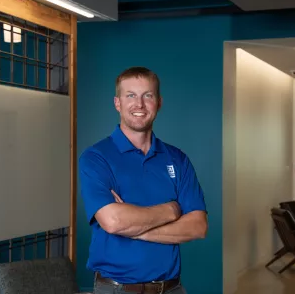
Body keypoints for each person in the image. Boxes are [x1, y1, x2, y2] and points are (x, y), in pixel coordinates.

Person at [79, 66, 208, 294]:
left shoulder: (177, 159)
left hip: (171, 288)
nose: (139, 104)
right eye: (130, 95)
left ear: (158, 103)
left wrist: (135, 229)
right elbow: (113, 222)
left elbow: (198, 227)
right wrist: (171, 210)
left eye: (147, 95)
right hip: (117, 290)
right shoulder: (96, 157)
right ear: (117, 103)